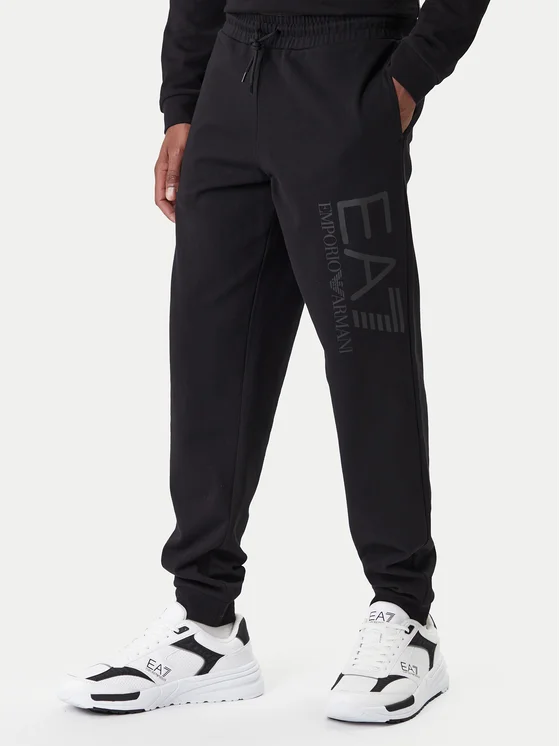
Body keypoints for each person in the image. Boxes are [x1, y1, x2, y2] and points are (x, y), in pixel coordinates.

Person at [58, 0, 490, 722]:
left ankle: (406, 615)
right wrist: (183, 103)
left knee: (367, 359)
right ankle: (205, 625)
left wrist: (409, 77)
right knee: (209, 357)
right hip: (231, 77)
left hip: (350, 73)